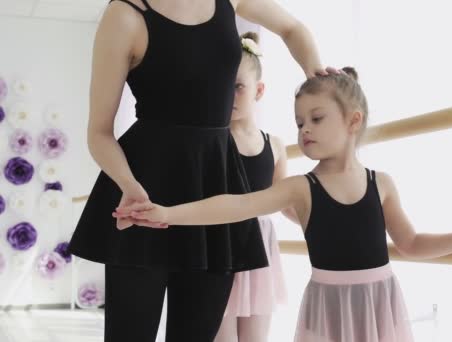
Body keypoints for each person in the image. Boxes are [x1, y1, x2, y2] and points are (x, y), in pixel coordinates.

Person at [115, 67, 452, 342]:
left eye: (316, 118)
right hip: (327, 308)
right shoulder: (302, 189)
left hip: (380, 306)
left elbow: (412, 243)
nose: (304, 129)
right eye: (299, 121)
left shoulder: (381, 184)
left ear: (354, 121)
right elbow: (235, 205)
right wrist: (167, 214)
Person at [67, 0, 337, 341]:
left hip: (214, 182)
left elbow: (292, 28)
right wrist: (128, 185)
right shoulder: (125, 14)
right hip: (145, 186)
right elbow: (99, 132)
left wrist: (317, 74)